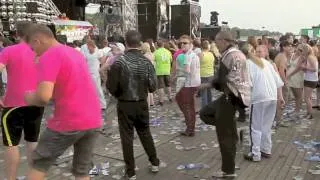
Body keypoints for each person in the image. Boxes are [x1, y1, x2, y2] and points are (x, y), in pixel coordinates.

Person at [25, 24, 102, 180]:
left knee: (39, 162)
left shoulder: (49, 56)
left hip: (69, 120)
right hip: (93, 118)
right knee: (82, 170)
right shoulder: (75, 53)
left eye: (32, 48)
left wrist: (28, 97)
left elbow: (43, 97)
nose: (33, 52)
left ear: (37, 40)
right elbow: (69, 86)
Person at [106, 30, 160, 180]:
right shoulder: (146, 62)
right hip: (142, 103)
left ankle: (131, 172)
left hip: (125, 104)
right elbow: (153, 87)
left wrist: (119, 95)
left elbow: (111, 87)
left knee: (127, 138)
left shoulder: (119, 62)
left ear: (126, 42)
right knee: (145, 133)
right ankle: (154, 162)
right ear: (140, 43)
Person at [199, 31, 251, 178]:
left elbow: (220, 81)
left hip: (231, 96)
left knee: (225, 137)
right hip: (237, 96)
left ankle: (228, 171)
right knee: (205, 113)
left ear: (224, 41)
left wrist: (206, 85)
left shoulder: (228, 56)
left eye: (216, 41)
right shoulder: (239, 53)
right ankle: (231, 130)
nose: (215, 44)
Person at [0, 22, 44, 180]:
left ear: (17, 34)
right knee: (32, 141)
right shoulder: (41, 52)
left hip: (13, 104)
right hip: (36, 102)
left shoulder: (9, 51)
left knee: (11, 144)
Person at [240, 43, 284, 162]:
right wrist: (280, 97)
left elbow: (247, 84)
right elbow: (278, 82)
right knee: (266, 126)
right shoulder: (267, 63)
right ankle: (266, 149)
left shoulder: (248, 64)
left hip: (259, 98)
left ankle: (255, 154)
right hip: (272, 97)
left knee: (255, 127)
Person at [175, 35, 201, 137]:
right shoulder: (192, 54)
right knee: (188, 105)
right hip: (192, 83)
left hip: (189, 84)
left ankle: (190, 128)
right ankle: (190, 126)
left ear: (191, 44)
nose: (182, 45)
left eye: (185, 43)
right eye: (180, 43)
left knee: (187, 106)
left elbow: (187, 71)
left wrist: (178, 72)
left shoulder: (188, 55)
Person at [154, 39, 173, 105]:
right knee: (168, 85)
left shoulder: (156, 52)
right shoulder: (168, 52)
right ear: (163, 44)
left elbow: (154, 61)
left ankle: (161, 100)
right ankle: (170, 97)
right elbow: (171, 60)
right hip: (167, 70)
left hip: (159, 71)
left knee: (160, 86)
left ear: (157, 45)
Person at [200, 40, 215, 108]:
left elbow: (197, 65)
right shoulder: (211, 54)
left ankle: (205, 108)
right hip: (211, 74)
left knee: (203, 93)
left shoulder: (201, 54)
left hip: (203, 74)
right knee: (209, 92)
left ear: (201, 46)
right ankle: (210, 105)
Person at [141, 42, 155, 107]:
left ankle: (147, 104)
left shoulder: (144, 56)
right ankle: (151, 102)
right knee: (150, 89)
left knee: (146, 90)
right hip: (152, 73)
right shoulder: (152, 54)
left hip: (146, 73)